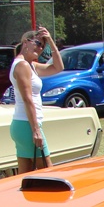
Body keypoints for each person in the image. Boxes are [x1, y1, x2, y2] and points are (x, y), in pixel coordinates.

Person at [9, 26, 64, 174]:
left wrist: (51, 42)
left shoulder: (30, 66)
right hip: (27, 125)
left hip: (24, 125)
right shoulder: (22, 66)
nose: (40, 49)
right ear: (26, 42)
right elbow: (28, 99)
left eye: (43, 47)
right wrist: (36, 131)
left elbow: (58, 67)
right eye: (38, 44)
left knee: (25, 176)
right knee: (48, 174)